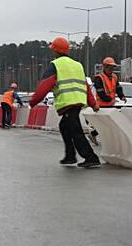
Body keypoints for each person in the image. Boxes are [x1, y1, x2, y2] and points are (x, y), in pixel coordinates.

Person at [29, 37, 100, 168]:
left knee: (76, 131)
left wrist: (33, 101)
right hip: (78, 102)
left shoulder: (55, 65)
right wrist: (92, 103)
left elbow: (44, 85)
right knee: (64, 127)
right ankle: (70, 156)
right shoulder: (77, 65)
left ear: (55, 51)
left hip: (68, 103)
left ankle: (91, 157)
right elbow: (86, 86)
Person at [88, 57, 126, 144]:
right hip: (101, 106)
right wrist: (111, 99)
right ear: (104, 67)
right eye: (109, 67)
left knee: (109, 124)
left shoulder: (114, 77)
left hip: (110, 105)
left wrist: (121, 96)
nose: (111, 69)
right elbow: (100, 93)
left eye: (112, 67)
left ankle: (94, 134)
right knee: (106, 124)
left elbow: (118, 87)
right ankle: (97, 136)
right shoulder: (99, 78)